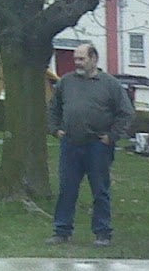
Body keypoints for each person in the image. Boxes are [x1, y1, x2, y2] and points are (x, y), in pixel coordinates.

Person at [46, 42, 134, 248]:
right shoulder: (66, 82)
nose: (77, 62)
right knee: (67, 189)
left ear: (94, 59)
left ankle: (103, 233)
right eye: (75, 58)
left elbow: (126, 112)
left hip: (98, 146)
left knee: (100, 191)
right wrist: (55, 129)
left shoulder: (110, 84)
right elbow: (53, 108)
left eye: (81, 58)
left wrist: (112, 136)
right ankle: (61, 231)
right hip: (70, 144)